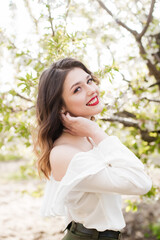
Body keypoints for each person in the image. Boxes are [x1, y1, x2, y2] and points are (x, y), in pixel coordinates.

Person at [35, 57, 152, 240]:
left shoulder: (90, 139)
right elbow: (141, 183)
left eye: (89, 80)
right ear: (60, 108)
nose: (92, 90)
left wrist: (94, 132)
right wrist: (96, 131)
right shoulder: (63, 153)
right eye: (77, 89)